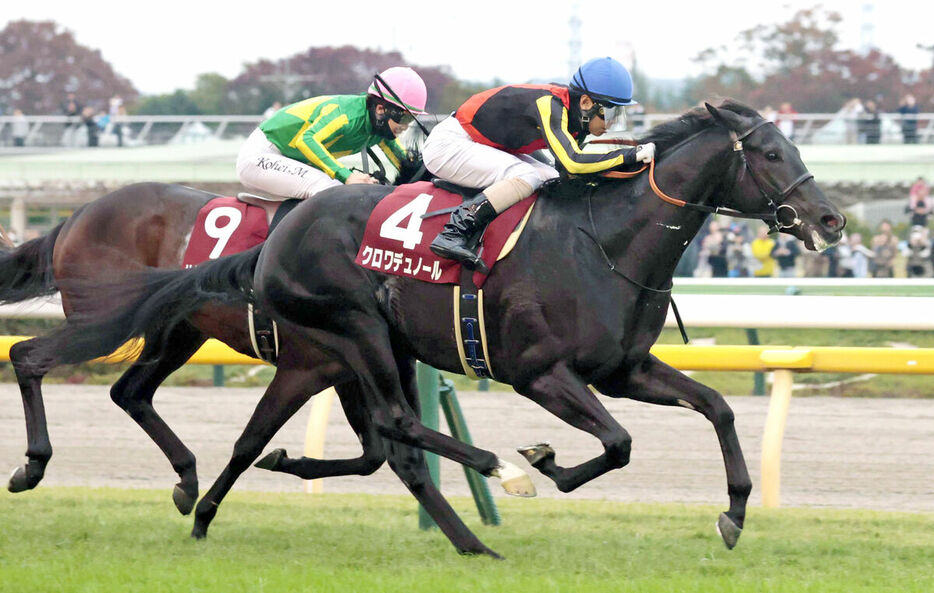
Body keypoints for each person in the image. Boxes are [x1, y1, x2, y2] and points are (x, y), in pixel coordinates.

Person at [422, 57, 655, 271]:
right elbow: (574, 163)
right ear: (586, 102)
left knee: (549, 177)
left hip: (482, 145)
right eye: (610, 113)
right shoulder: (550, 105)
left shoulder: (576, 118)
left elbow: (566, 175)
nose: (611, 124)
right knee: (526, 174)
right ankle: (454, 231)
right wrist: (629, 155)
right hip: (450, 144)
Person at [236, 67, 427, 200]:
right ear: (380, 109)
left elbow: (405, 165)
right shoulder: (346, 115)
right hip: (262, 155)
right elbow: (306, 139)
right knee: (330, 188)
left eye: (412, 120)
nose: (406, 126)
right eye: (406, 118)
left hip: (290, 161)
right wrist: (346, 176)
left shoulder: (379, 128)